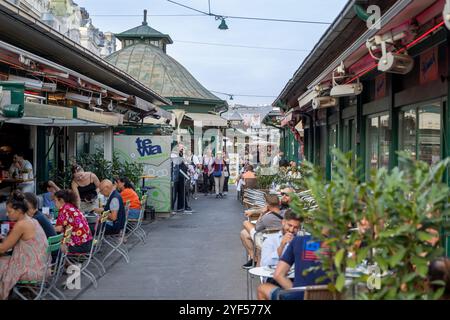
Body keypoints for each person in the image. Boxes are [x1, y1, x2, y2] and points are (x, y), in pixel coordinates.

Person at [0, 191, 48, 300]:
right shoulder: (33, 220)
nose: (7, 214)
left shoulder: (21, 224)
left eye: (9, 211)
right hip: (42, 266)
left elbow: (3, 248)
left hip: (32, 270)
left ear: (19, 210)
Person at [258, 230, 330, 300]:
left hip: (300, 297)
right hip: (334, 296)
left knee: (262, 288)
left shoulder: (299, 241)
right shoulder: (340, 247)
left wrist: (295, 291)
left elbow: (278, 275)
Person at [241, 194, 284, 268]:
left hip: (266, 241)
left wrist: (262, 214)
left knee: (245, 223)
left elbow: (257, 228)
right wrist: (255, 211)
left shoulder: (266, 218)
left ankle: (253, 258)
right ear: (279, 203)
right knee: (244, 233)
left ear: (267, 205)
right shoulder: (285, 213)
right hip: (281, 239)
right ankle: (253, 258)